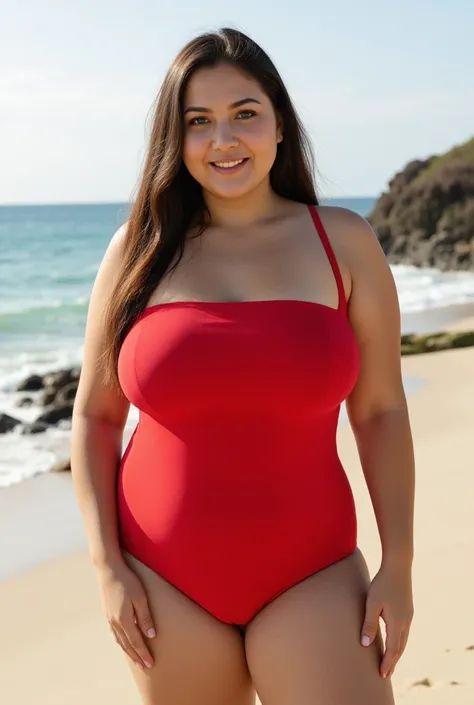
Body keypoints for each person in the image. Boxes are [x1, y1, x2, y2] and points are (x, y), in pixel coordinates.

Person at [71, 26, 415, 705]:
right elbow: (94, 416)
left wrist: (398, 563)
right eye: (198, 122)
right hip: (164, 585)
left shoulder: (342, 242)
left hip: (312, 573)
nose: (223, 140)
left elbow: (380, 411)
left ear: (280, 123)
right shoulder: (137, 251)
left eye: (244, 114)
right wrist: (108, 565)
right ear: (177, 138)